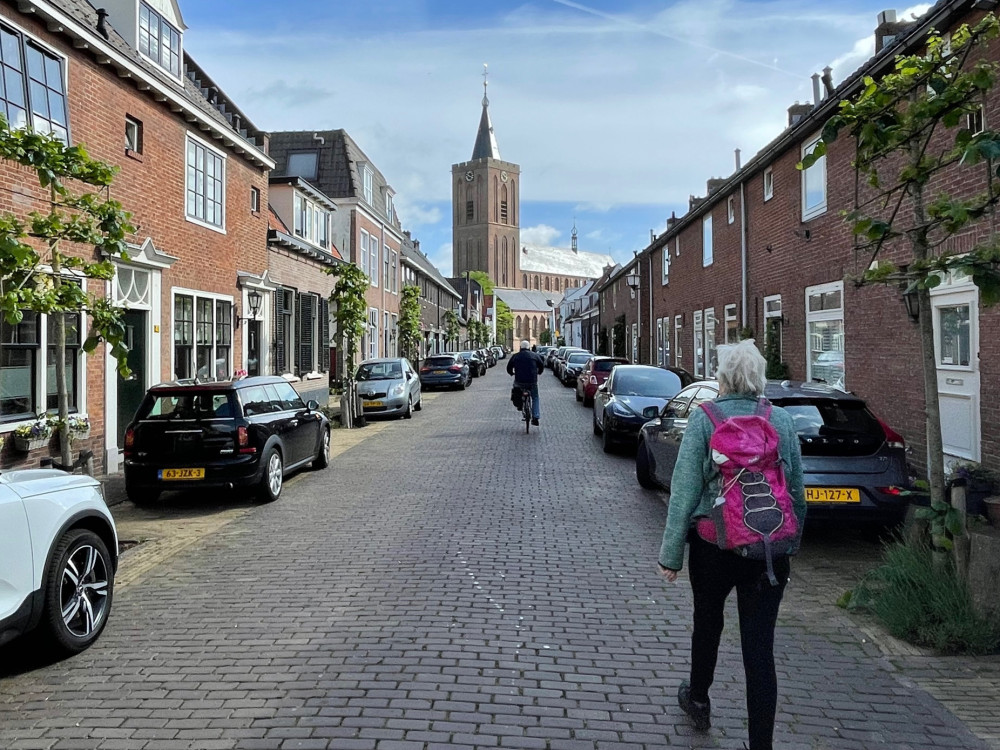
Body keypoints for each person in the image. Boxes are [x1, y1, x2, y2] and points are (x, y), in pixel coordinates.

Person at [656, 339, 806, 750]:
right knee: (760, 649)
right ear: (760, 378)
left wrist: (671, 555)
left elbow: (684, 492)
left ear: (722, 378)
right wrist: (790, 544)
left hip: (712, 547)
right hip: (767, 550)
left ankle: (699, 699)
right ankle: (761, 744)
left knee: (708, 623)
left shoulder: (705, 420)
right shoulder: (782, 421)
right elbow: (795, 491)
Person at [506, 339, 544, 425]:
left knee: (516, 391)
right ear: (529, 347)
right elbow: (541, 365)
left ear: (520, 347)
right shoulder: (534, 355)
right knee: (535, 397)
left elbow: (508, 367)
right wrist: (539, 372)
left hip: (519, 381)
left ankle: (519, 405)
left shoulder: (516, 356)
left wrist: (511, 373)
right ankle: (536, 417)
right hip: (532, 381)